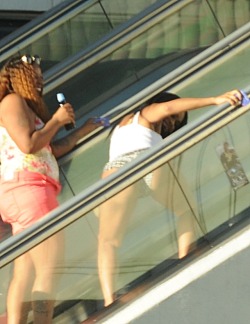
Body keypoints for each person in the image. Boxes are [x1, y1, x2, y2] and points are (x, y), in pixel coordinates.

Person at [97, 89, 242, 307]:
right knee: (187, 210)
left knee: (107, 241)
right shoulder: (144, 114)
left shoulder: (122, 128)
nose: (172, 122)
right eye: (175, 116)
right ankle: (185, 261)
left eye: (176, 123)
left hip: (118, 171)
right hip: (146, 161)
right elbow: (166, 108)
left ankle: (109, 301)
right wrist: (214, 99)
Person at [0, 54, 104, 323]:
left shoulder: (23, 108)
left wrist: (81, 131)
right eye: (35, 74)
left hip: (25, 191)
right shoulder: (12, 102)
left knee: (24, 270)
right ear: (20, 76)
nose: (40, 79)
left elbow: (48, 150)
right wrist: (56, 121)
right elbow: (28, 145)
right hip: (31, 191)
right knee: (49, 268)